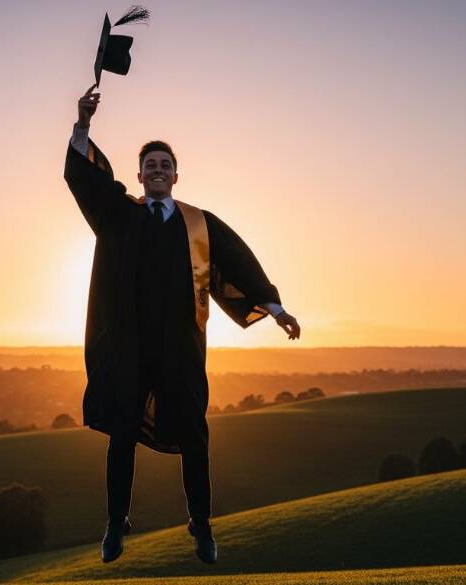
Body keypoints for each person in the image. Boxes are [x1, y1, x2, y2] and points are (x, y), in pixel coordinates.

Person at [64, 84, 300, 565]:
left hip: (181, 347)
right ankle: (115, 523)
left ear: (175, 176)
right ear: (138, 175)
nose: (157, 170)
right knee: (123, 434)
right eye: (149, 164)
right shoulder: (118, 215)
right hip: (129, 345)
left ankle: (202, 524)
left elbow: (238, 261)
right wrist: (84, 125)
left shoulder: (198, 224)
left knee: (195, 435)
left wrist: (274, 308)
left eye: (164, 165)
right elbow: (85, 181)